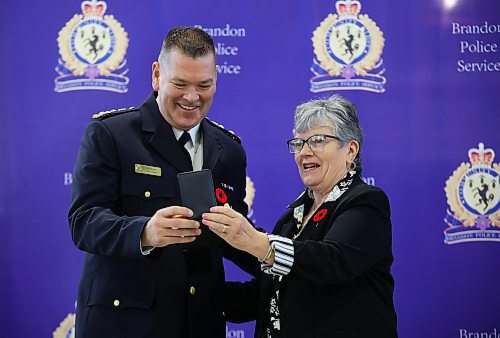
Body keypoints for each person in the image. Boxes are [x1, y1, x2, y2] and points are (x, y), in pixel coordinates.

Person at [68, 26, 258, 338]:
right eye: (180, 83)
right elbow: (84, 221)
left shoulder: (230, 151)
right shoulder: (111, 134)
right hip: (125, 325)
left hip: (200, 323)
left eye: (204, 84)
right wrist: (145, 232)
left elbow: (232, 235)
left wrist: (283, 259)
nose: (192, 97)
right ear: (157, 75)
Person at [202, 95, 398, 337]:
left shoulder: (366, 202)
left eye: (317, 141)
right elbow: (267, 291)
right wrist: (194, 292)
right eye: (299, 143)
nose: (304, 152)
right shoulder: (292, 217)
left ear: (351, 150)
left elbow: (329, 262)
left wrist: (255, 241)